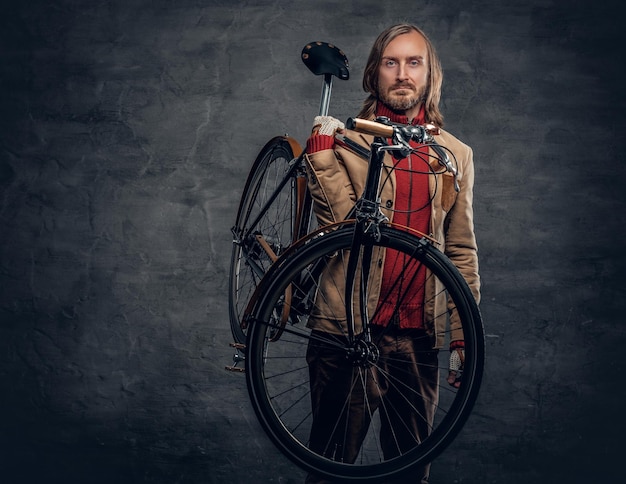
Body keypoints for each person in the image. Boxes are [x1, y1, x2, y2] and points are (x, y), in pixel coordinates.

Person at [303, 23, 480, 483]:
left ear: (430, 76)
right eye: (391, 62)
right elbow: (339, 227)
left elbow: (459, 250)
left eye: (414, 62)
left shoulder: (454, 154)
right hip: (347, 329)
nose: (403, 74)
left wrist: (464, 336)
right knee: (329, 472)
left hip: (418, 340)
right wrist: (323, 157)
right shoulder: (347, 142)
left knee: (410, 474)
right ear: (373, 74)